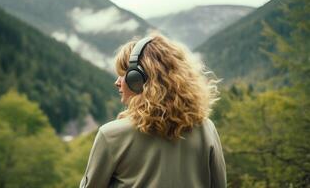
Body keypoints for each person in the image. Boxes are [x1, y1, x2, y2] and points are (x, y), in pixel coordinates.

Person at [79, 33, 226, 188]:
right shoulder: (206, 128)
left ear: (137, 79)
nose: (117, 82)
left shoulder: (110, 135)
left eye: (123, 75)